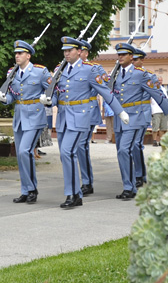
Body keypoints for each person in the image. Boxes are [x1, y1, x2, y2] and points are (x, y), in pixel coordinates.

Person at [43, 36, 127, 209]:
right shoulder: (60, 69)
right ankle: (75, 194)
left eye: (70, 50)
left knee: (67, 152)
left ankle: (72, 194)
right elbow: (59, 94)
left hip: (80, 116)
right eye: (64, 51)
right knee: (67, 154)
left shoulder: (89, 70)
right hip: (64, 117)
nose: (66, 53)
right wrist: (49, 101)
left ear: (79, 52)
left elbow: (105, 92)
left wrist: (120, 111)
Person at [112, 42, 168, 200]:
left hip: (135, 116)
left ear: (131, 57)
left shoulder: (141, 74)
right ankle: (128, 184)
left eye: (124, 54)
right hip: (120, 117)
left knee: (125, 149)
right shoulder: (114, 74)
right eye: (119, 55)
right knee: (121, 152)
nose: (121, 57)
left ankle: (130, 187)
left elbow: (157, 93)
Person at [0, 40, 51, 204]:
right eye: (16, 53)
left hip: (34, 116)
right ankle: (25, 190)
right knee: (21, 156)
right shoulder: (12, 73)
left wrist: (48, 100)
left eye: (20, 53)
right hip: (19, 117)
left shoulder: (40, 72)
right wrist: (5, 99)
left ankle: (32, 189)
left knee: (24, 151)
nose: (17, 56)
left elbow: (51, 90)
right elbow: (14, 96)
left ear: (28, 55)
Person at [74, 39, 103, 195]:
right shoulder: (68, 68)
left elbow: (105, 84)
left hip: (89, 110)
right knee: (77, 146)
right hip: (73, 111)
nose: (80, 54)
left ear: (86, 53)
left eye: (82, 51)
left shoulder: (95, 68)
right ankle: (85, 181)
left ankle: (87, 182)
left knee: (81, 144)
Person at [130, 47, 151, 188]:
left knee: (136, 144)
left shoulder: (146, 75)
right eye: (133, 59)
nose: (134, 62)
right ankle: (135, 174)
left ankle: (139, 174)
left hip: (142, 113)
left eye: (136, 59)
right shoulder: (127, 75)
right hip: (130, 114)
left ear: (142, 60)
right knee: (129, 146)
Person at [151, 77, 168, 146]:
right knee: (155, 127)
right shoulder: (152, 89)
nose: (160, 82)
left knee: (163, 127)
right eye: (159, 80)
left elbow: (166, 99)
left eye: (161, 80)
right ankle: (154, 141)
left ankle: (161, 141)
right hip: (156, 110)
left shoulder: (164, 89)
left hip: (163, 110)